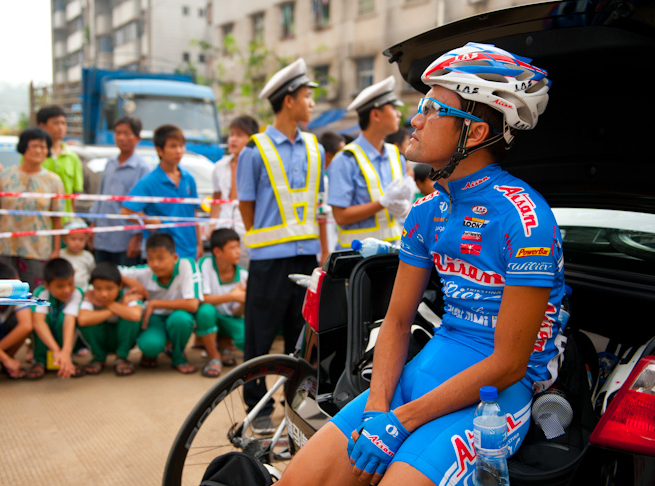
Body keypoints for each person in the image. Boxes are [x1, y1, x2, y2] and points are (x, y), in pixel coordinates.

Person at [278, 43, 564, 486]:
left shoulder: (526, 219)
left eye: (432, 108)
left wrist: (402, 421)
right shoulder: (427, 211)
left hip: (497, 395)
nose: (416, 118)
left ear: (471, 134)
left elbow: (509, 362)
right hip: (427, 370)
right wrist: (377, 413)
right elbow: (395, 323)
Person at [236, 58, 327, 432]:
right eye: (307, 97)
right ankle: (257, 409)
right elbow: (246, 207)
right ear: (288, 100)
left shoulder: (315, 148)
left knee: (301, 338)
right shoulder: (253, 151)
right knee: (259, 336)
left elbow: (318, 206)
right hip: (268, 261)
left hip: (306, 258)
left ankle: (296, 405)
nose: (312, 104)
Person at [327, 76, 414, 249]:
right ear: (375, 114)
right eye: (393, 107)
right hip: (357, 258)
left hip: (393, 251)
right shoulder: (346, 159)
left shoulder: (395, 154)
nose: (398, 114)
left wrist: (405, 208)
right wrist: (381, 203)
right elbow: (341, 216)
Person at [0, 127, 64, 290]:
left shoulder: (54, 181)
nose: (39, 150)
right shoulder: (5, 176)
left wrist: (56, 249)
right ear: (23, 147)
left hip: (37, 250)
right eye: (35, 146)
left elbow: (57, 218)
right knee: (2, 295)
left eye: (44, 147)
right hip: (5, 247)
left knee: (32, 294)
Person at [119, 233, 203, 374]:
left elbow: (193, 303)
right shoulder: (145, 272)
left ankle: (178, 356)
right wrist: (133, 283)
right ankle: (152, 351)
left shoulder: (186, 265)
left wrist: (155, 303)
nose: (155, 264)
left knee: (181, 320)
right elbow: (111, 271)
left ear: (174, 257)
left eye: (161, 258)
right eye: (150, 259)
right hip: (154, 319)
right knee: (150, 346)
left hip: (177, 315)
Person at [121, 124, 202, 260]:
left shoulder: (189, 179)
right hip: (162, 255)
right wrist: (147, 219)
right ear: (159, 150)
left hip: (189, 251)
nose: (179, 150)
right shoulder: (149, 181)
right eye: (173, 146)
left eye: (181, 145)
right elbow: (125, 212)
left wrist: (199, 244)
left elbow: (194, 214)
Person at [89, 116, 151, 266]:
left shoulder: (142, 168)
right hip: (103, 236)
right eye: (118, 133)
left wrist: (137, 237)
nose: (121, 137)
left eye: (126, 133)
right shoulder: (110, 164)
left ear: (137, 138)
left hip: (125, 240)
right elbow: (101, 197)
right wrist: (92, 225)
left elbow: (142, 207)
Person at [195, 228, 247, 377]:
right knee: (205, 311)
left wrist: (243, 301)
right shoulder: (205, 264)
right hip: (208, 318)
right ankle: (214, 356)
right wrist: (233, 296)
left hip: (228, 319)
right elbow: (201, 299)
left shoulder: (243, 275)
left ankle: (224, 348)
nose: (238, 251)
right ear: (217, 252)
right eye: (232, 248)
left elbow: (236, 314)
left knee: (245, 338)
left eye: (238, 247)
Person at [210, 115, 259, 269]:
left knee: (248, 272)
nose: (233, 139)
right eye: (231, 134)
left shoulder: (258, 166)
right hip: (223, 227)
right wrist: (212, 225)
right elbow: (217, 196)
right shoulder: (219, 166)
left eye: (239, 135)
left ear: (251, 139)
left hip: (247, 229)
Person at [77, 262, 143, 376]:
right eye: (98, 288)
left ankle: (121, 357)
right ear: (92, 286)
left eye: (109, 288)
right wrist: (117, 308)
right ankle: (98, 357)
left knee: (130, 318)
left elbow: (135, 315)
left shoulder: (128, 293)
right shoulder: (90, 293)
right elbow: (83, 319)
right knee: (88, 321)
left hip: (121, 338)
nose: (103, 294)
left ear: (120, 285)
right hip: (102, 337)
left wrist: (106, 304)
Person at [29, 258, 83, 380]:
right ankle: (40, 360)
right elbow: (39, 323)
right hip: (49, 341)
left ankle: (69, 358)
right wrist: (56, 350)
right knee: (37, 319)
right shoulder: (40, 293)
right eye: (60, 286)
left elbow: (69, 320)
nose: (67, 290)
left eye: (70, 283)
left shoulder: (77, 293)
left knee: (67, 319)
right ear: (47, 285)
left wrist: (66, 352)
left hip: (66, 342)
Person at [37, 106, 83, 224]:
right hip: (40, 221)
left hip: (65, 221)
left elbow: (75, 192)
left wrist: (72, 219)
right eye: (56, 123)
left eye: (63, 123)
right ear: (42, 126)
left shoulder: (72, 157)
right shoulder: (34, 155)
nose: (61, 127)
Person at [59, 217, 95, 291]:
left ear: (86, 239)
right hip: (64, 292)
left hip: (83, 292)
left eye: (81, 239)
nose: (77, 243)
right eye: (73, 239)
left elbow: (92, 274)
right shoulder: (60, 255)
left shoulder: (88, 256)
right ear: (65, 239)